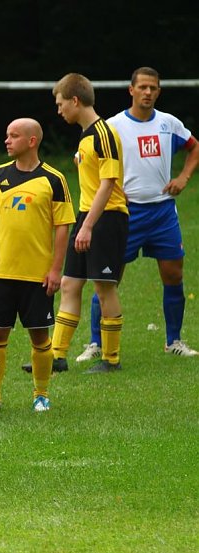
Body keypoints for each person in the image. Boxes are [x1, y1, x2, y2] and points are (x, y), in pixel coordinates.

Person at [77, 67, 199, 360]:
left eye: (153, 88)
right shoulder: (113, 126)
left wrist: (183, 177)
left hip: (163, 212)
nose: (148, 92)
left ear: (158, 91)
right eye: (142, 87)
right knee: (108, 278)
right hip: (125, 213)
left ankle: (174, 341)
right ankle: (95, 343)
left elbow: (194, 148)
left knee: (173, 273)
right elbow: (87, 158)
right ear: (131, 90)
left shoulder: (169, 123)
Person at [0, 119, 75, 412]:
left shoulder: (53, 179)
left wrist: (55, 269)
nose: (7, 140)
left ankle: (41, 394)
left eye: (14, 136)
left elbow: (63, 227)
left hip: (37, 274)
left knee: (40, 335)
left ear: (32, 141)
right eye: (6, 134)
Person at [50, 73, 128, 373]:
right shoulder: (85, 137)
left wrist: (88, 226)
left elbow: (108, 183)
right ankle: (56, 357)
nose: (59, 111)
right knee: (69, 284)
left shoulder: (103, 133)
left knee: (104, 287)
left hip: (106, 218)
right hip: (89, 215)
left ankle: (111, 359)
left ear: (75, 100)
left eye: (60, 104)